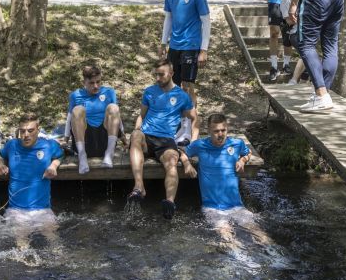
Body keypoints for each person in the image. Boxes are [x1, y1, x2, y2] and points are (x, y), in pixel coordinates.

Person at [183, 114, 279, 264]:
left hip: (236, 206)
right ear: (208, 131)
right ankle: (244, 262)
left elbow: (247, 153)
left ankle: (277, 257)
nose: (220, 134)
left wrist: (242, 160)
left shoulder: (236, 144)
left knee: (256, 230)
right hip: (212, 207)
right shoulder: (199, 145)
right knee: (226, 234)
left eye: (223, 130)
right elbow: (181, 152)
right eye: (216, 131)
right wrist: (187, 163)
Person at [128, 59, 198, 219]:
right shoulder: (150, 91)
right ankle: (139, 187)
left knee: (171, 162)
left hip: (166, 140)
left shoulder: (182, 96)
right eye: (156, 75)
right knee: (136, 134)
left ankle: (169, 202)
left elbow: (195, 119)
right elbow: (141, 115)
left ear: (172, 73)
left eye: (162, 74)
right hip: (147, 136)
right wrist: (135, 133)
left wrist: (193, 143)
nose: (158, 78)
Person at [159, 0, 211, 144]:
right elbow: (169, 17)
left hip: (191, 45)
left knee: (188, 87)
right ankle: (178, 125)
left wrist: (203, 50)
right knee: (174, 86)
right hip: (175, 45)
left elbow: (206, 21)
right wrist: (163, 42)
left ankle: (189, 128)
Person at [0, 113, 62, 247]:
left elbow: (60, 155)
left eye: (30, 131)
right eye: (22, 131)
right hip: (16, 210)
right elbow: (0, 156)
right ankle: (26, 266)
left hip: (43, 210)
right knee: (21, 240)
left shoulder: (49, 146)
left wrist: (54, 166)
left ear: (38, 130)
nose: (26, 135)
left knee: (54, 240)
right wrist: (0, 164)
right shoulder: (12, 145)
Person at [64, 65, 124, 174]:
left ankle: (109, 154)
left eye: (98, 82)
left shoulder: (109, 92)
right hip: (85, 140)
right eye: (91, 83)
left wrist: (124, 140)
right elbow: (69, 119)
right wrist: (65, 141)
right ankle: (82, 157)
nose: (96, 86)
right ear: (84, 82)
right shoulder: (75, 95)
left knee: (113, 107)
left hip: (104, 140)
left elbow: (117, 117)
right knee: (78, 110)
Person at [279, 0, 311, 86]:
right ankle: (294, 80)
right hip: (295, 33)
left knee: (311, 56)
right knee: (307, 53)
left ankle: (302, 82)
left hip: (310, 33)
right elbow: (289, 21)